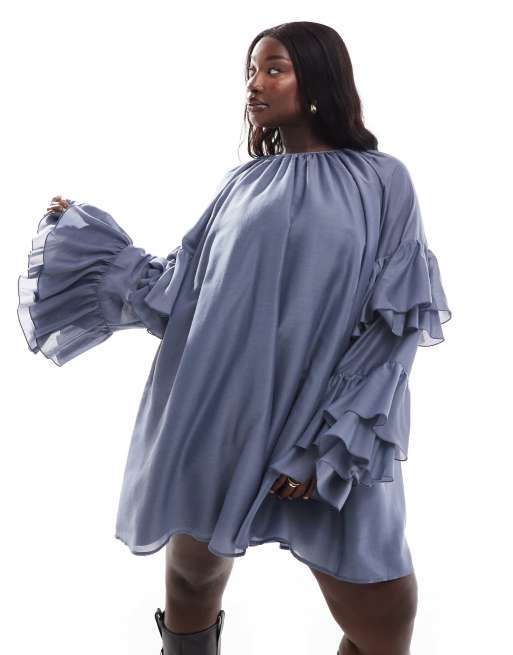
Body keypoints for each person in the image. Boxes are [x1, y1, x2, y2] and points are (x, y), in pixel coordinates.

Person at [17, 21, 452, 655]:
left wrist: (326, 444)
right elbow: (180, 294)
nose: (254, 84)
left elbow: (394, 324)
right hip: (220, 408)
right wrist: (81, 236)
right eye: (250, 71)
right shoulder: (241, 183)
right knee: (192, 582)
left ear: (318, 81)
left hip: (326, 423)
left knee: (382, 616)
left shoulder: (385, 180)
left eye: (273, 69)